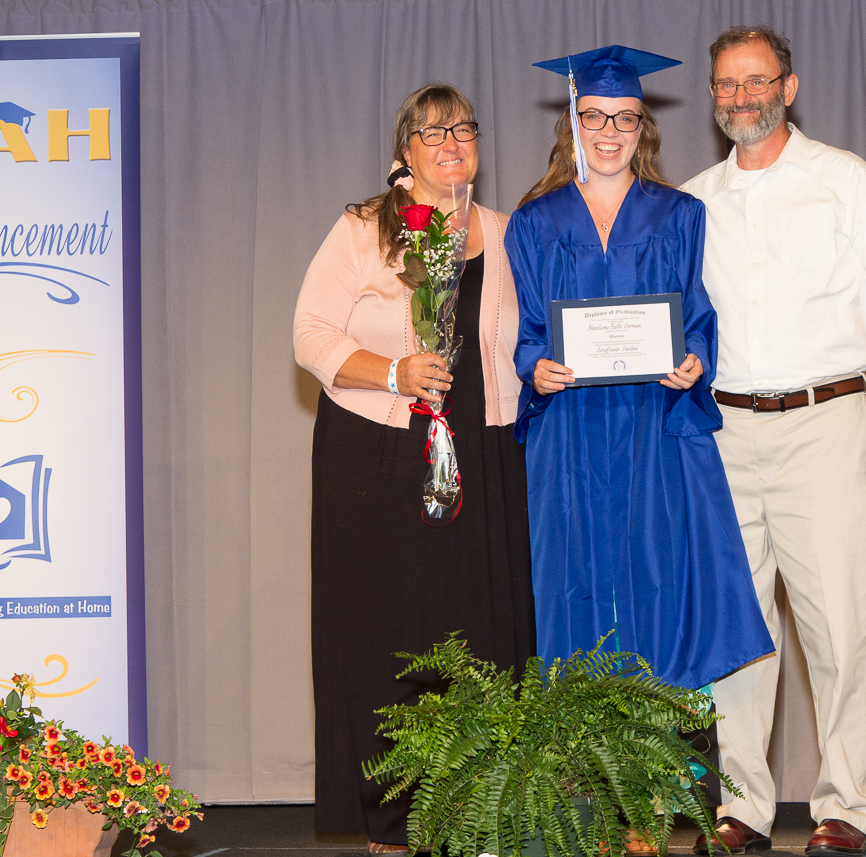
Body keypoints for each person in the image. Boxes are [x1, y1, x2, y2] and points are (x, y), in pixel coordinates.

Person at [682, 26, 866, 857]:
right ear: (712, 95)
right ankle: (743, 807)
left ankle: (844, 809)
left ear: (788, 87)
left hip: (826, 425)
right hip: (723, 430)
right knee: (738, 629)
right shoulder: (693, 199)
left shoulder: (843, 179)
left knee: (840, 625)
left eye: (756, 81)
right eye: (724, 83)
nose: (739, 95)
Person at [293, 83, 534, 850]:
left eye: (464, 128)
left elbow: (524, 347)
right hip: (378, 455)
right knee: (385, 638)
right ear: (405, 152)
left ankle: (476, 814)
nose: (452, 142)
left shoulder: (506, 233)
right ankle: (392, 824)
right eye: (432, 132)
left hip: (484, 455)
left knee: (481, 633)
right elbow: (309, 334)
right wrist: (396, 372)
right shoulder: (366, 228)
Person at [506, 45, 773, 721]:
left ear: (642, 127)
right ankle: (581, 782)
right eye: (594, 116)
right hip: (569, 428)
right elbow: (530, 328)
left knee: (658, 581)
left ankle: (650, 794)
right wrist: (535, 365)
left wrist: (693, 361)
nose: (608, 133)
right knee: (574, 585)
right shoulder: (534, 222)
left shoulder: (678, 215)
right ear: (573, 121)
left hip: (652, 422)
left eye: (624, 119)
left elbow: (698, 316)